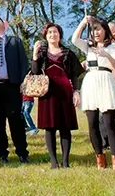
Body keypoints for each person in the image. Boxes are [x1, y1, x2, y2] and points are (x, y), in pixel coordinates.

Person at [72, 16, 115, 170]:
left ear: (105, 31)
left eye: (99, 29)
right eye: (93, 30)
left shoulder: (113, 47)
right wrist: (83, 22)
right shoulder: (88, 47)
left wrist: (106, 54)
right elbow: (74, 39)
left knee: (109, 123)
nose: (96, 32)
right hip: (91, 81)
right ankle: (100, 159)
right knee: (92, 123)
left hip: (106, 80)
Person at [31, 23, 81, 169]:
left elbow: (74, 75)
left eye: (56, 32)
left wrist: (76, 91)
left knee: (65, 127)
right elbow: (35, 73)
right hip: (47, 92)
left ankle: (65, 161)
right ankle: (54, 161)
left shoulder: (68, 53)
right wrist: (35, 55)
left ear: (60, 34)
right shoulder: (41, 53)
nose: (53, 35)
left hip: (65, 91)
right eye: (50, 32)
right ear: (46, 36)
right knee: (50, 127)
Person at [0, 14, 30, 164]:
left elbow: (23, 63)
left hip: (12, 86)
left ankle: (22, 152)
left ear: (4, 25)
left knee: (16, 120)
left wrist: (23, 82)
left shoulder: (14, 42)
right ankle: (2, 153)